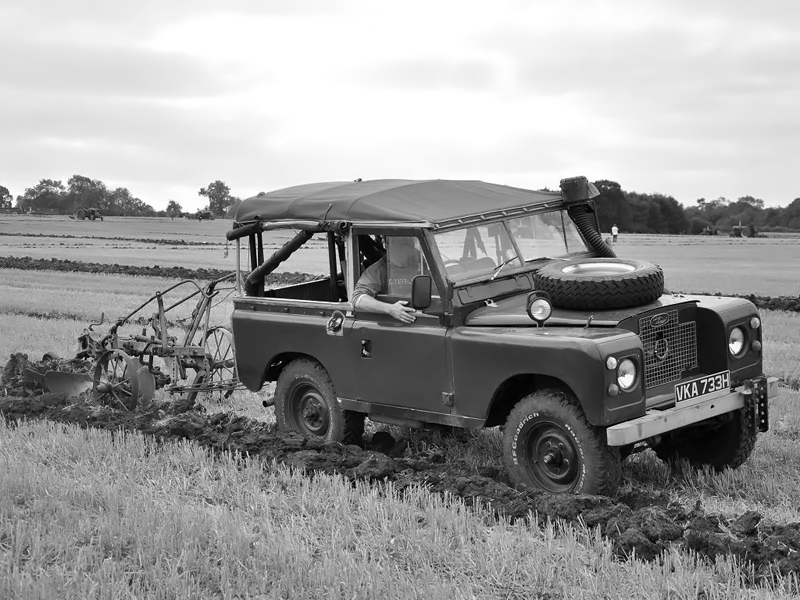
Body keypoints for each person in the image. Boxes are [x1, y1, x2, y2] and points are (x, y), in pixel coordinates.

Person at [352, 236, 420, 323]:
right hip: (393, 322)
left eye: (410, 243)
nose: (411, 247)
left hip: (422, 314)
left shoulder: (419, 262)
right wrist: (391, 309)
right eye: (402, 243)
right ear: (387, 245)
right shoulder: (378, 270)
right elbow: (358, 299)